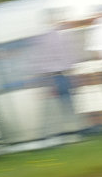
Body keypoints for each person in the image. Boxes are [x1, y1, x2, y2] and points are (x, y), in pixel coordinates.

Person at [31, 8, 80, 138]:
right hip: (59, 75)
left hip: (52, 76)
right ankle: (70, 130)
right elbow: (64, 56)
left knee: (60, 105)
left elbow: (41, 60)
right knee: (67, 104)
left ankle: (63, 131)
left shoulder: (45, 37)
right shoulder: (56, 36)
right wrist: (71, 67)